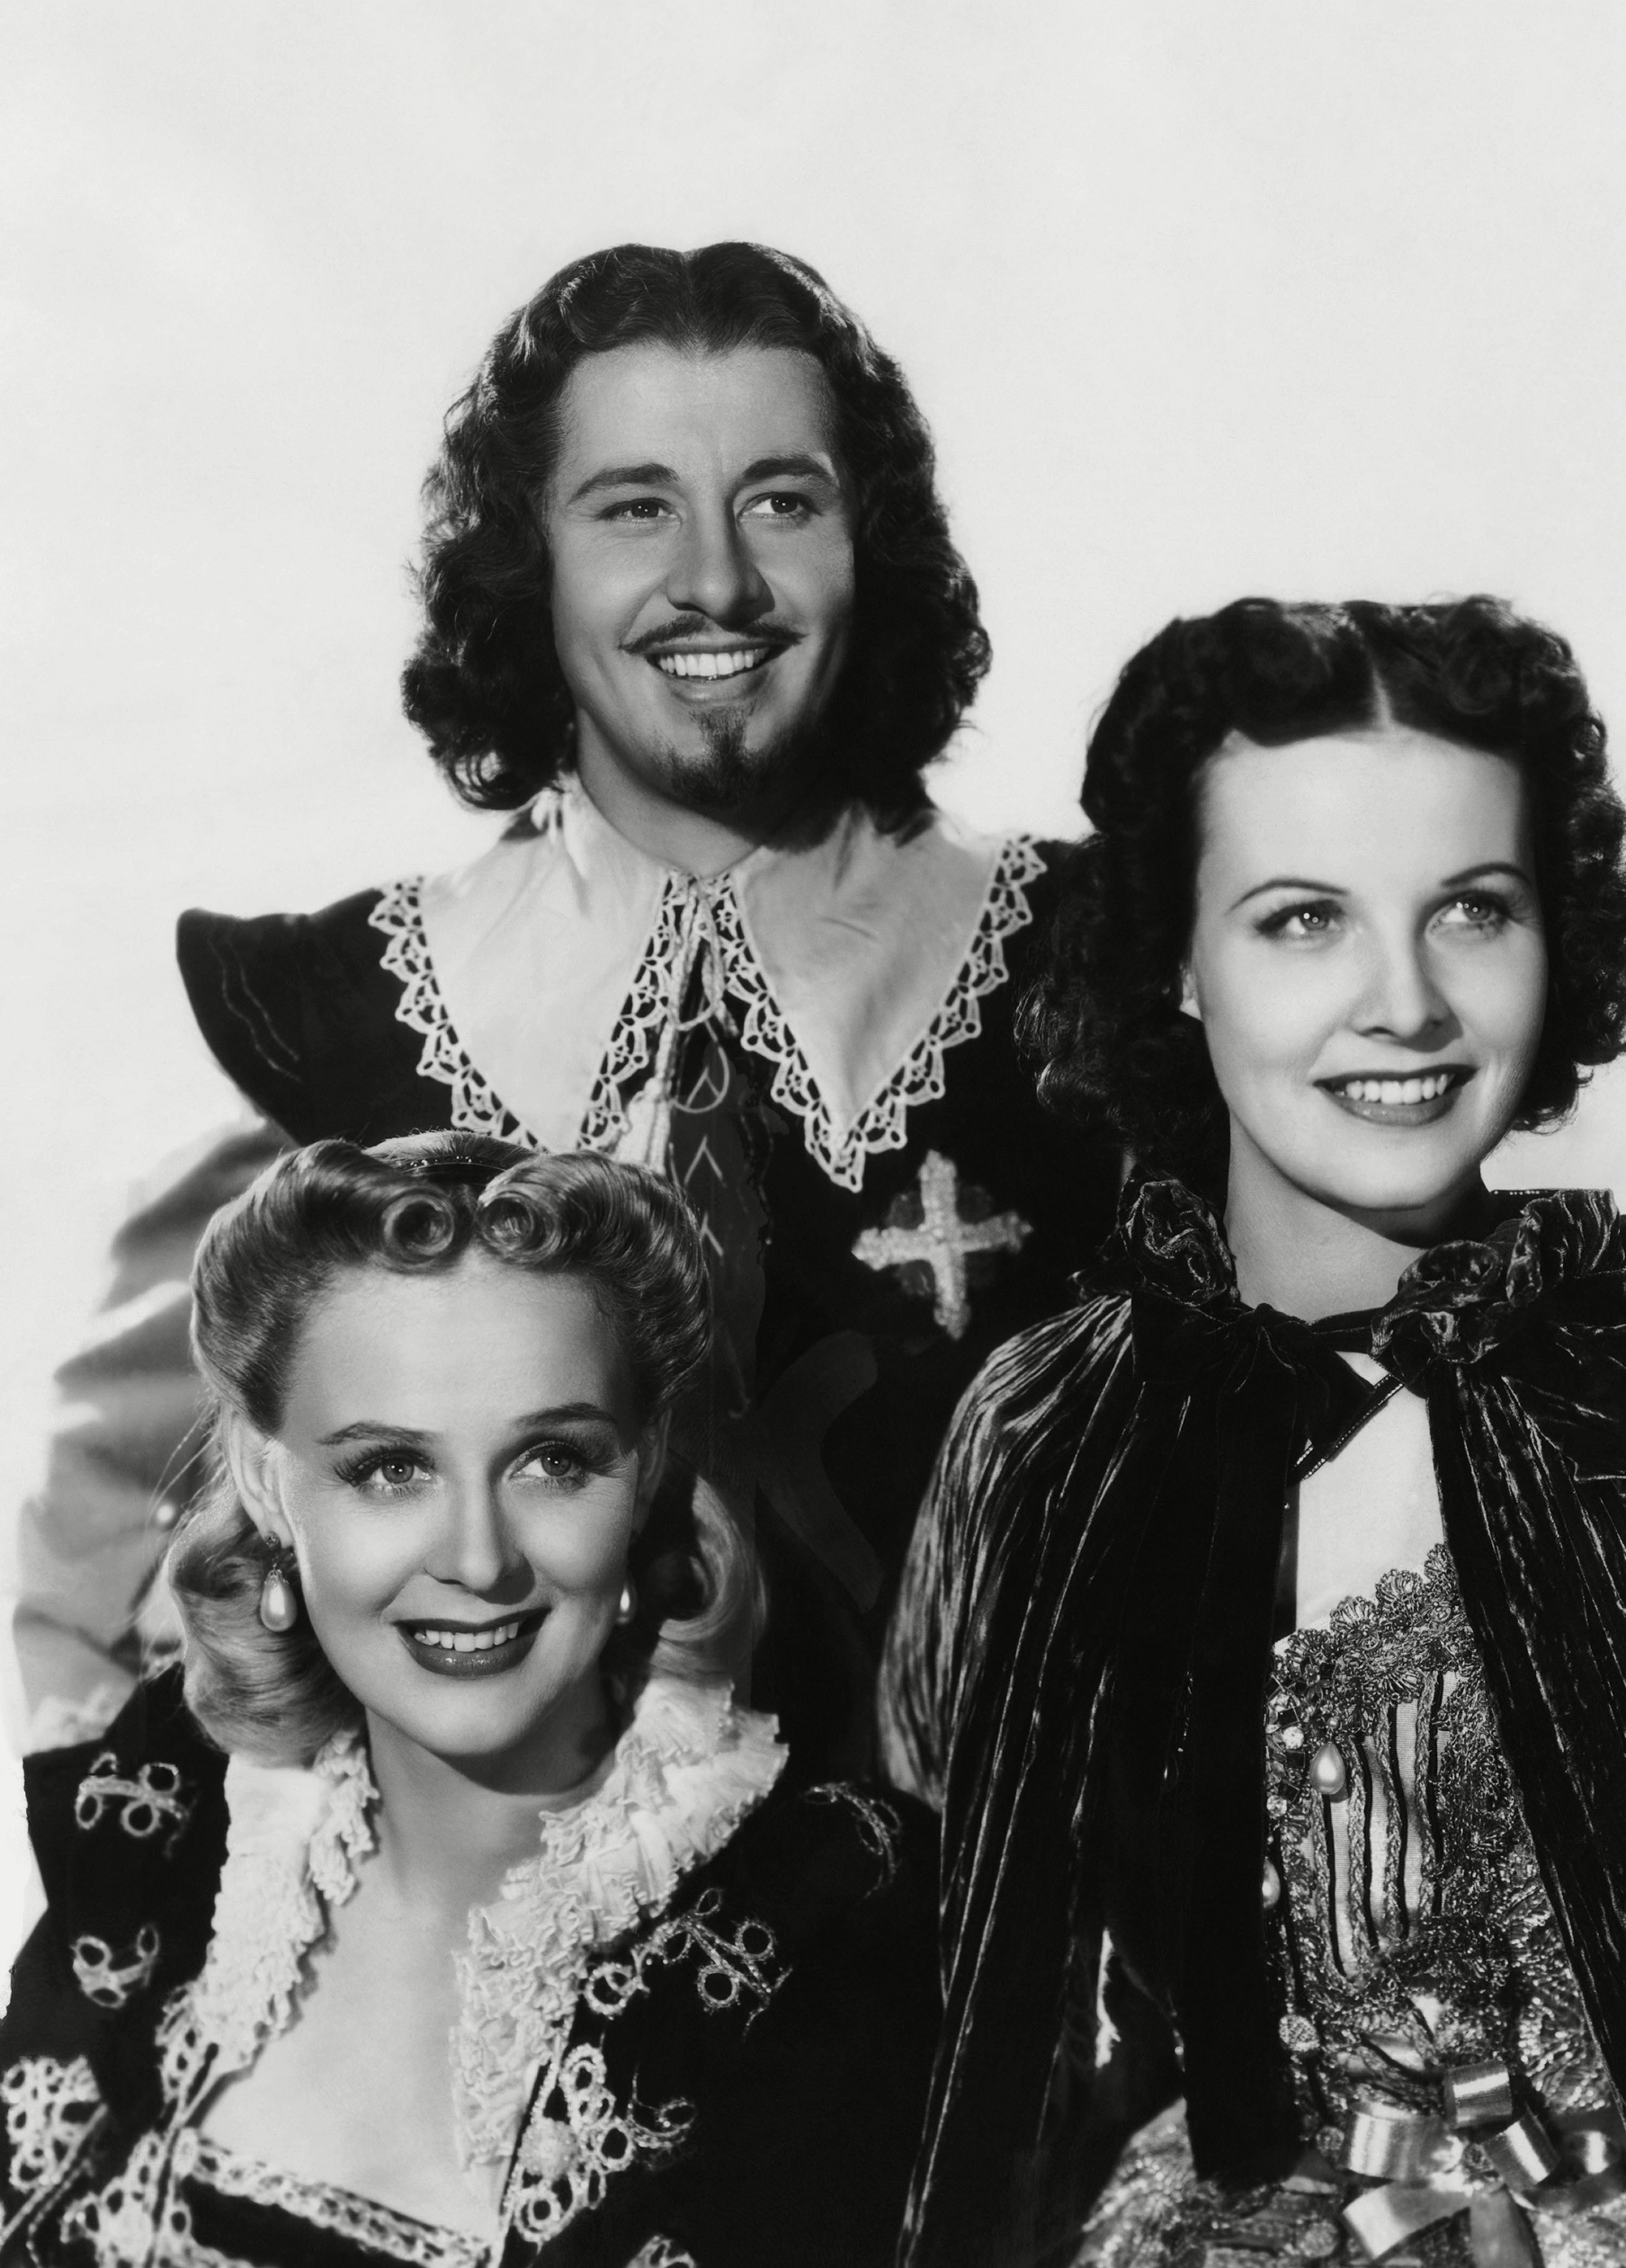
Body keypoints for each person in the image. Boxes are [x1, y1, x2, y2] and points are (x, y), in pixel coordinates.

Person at [873, 597, 1626, 2268]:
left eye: (1470, 910)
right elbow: (980, 1946)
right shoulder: (1045, 1426)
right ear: (1177, 959)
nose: (1404, 1003)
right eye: (1303, 919)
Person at [12, 240, 1118, 1773]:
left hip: (991, 1902)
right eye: (634, 507)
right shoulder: (341, 1023)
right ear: (529, 561)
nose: (716, 580)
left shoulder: (1088, 962)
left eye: (782, 502)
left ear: (873, 546)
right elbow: (96, 1566)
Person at [0, 1133, 938, 2268]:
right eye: (389, 1468)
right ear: (271, 1482)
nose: (480, 1559)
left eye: (553, 1461)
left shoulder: (812, 1936)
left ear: (645, 1475)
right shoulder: (181, 1815)